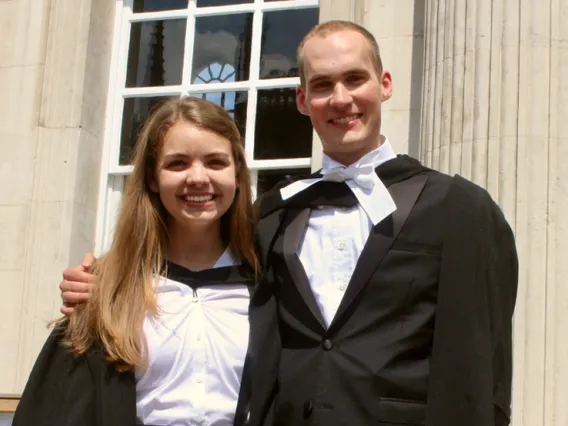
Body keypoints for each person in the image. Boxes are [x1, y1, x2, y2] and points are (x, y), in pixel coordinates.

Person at [59, 20, 519, 426]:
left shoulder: (462, 210)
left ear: (384, 84)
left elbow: (478, 375)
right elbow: (192, 257)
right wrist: (107, 277)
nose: (341, 98)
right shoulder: (272, 215)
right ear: (302, 99)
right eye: (322, 85)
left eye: (355, 79)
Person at [13, 96, 259, 426]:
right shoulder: (108, 290)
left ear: (238, 175)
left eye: (216, 162)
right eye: (178, 164)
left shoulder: (269, 286)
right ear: (153, 178)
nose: (198, 177)